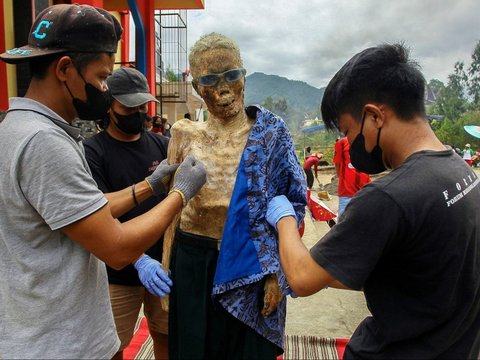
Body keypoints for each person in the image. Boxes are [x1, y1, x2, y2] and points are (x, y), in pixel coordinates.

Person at [0, 4, 207, 359]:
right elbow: (116, 248)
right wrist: (180, 194)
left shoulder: (15, 128)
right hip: (62, 343)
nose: (103, 90)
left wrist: (149, 187)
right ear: (65, 69)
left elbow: (81, 211)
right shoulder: (45, 144)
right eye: (100, 78)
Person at [265, 43, 480, 359]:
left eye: (348, 131)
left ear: (374, 116)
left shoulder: (388, 197)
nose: (349, 144)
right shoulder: (460, 172)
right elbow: (414, 272)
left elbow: (302, 277)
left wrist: (283, 217)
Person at [162, 32, 307, 359]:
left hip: (251, 267)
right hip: (193, 264)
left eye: (232, 75)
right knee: (192, 348)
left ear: (243, 75)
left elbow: (293, 204)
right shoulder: (184, 135)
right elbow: (172, 208)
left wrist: (278, 273)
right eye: (211, 79)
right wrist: (166, 266)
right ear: (198, 88)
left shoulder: (271, 134)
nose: (224, 88)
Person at [83, 67, 171, 359]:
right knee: (112, 346)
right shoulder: (93, 152)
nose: (136, 113)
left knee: (166, 334)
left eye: (141, 106)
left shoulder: (162, 145)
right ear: (110, 106)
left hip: (163, 268)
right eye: (127, 107)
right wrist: (137, 257)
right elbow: (98, 213)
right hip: (116, 271)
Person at [333, 136, 371, 216]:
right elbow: (337, 164)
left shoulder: (369, 139)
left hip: (364, 191)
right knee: (345, 222)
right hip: (347, 192)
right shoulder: (341, 142)